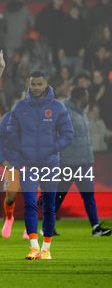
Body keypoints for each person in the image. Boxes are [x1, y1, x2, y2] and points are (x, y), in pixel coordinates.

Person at [7, 71, 74, 260]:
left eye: (39, 84)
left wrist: (53, 148)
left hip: (50, 164)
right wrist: (21, 149)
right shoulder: (20, 107)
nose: (35, 87)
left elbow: (68, 133)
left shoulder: (57, 107)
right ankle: (34, 247)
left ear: (46, 84)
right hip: (27, 163)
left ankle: (47, 248)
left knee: (49, 207)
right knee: (29, 204)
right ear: (29, 85)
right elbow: (11, 132)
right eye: (32, 84)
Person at [56, 87, 111, 236]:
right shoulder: (63, 111)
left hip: (85, 162)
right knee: (59, 196)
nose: (88, 97)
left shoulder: (82, 111)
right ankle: (47, 226)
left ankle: (95, 228)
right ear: (80, 97)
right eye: (87, 95)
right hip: (68, 163)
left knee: (88, 195)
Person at [0, 98, 25, 239]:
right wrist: (2, 160)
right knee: (10, 197)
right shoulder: (8, 117)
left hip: (31, 164)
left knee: (32, 198)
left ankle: (29, 228)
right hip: (12, 164)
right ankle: (9, 218)